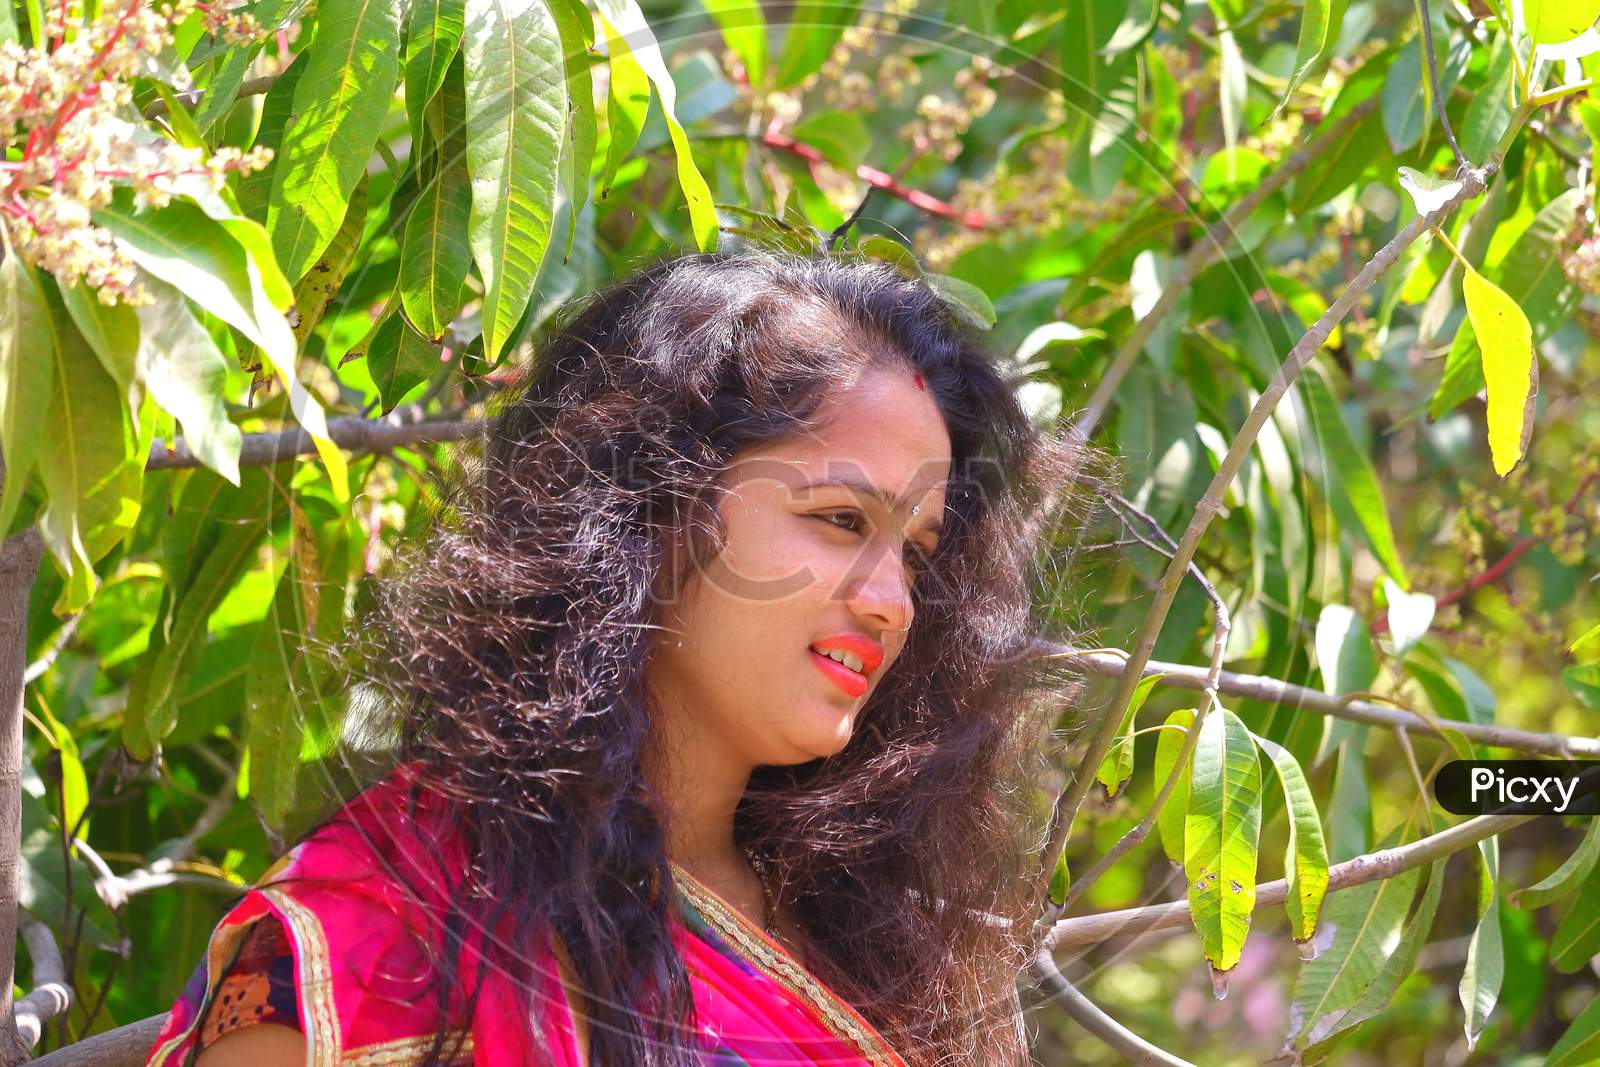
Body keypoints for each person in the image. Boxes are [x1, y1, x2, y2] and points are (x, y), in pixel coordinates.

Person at [144, 247, 1089, 1067]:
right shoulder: (372, 929)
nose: (891, 603)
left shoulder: (873, 945)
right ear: (647, 508)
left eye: (916, 556)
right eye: (842, 521)